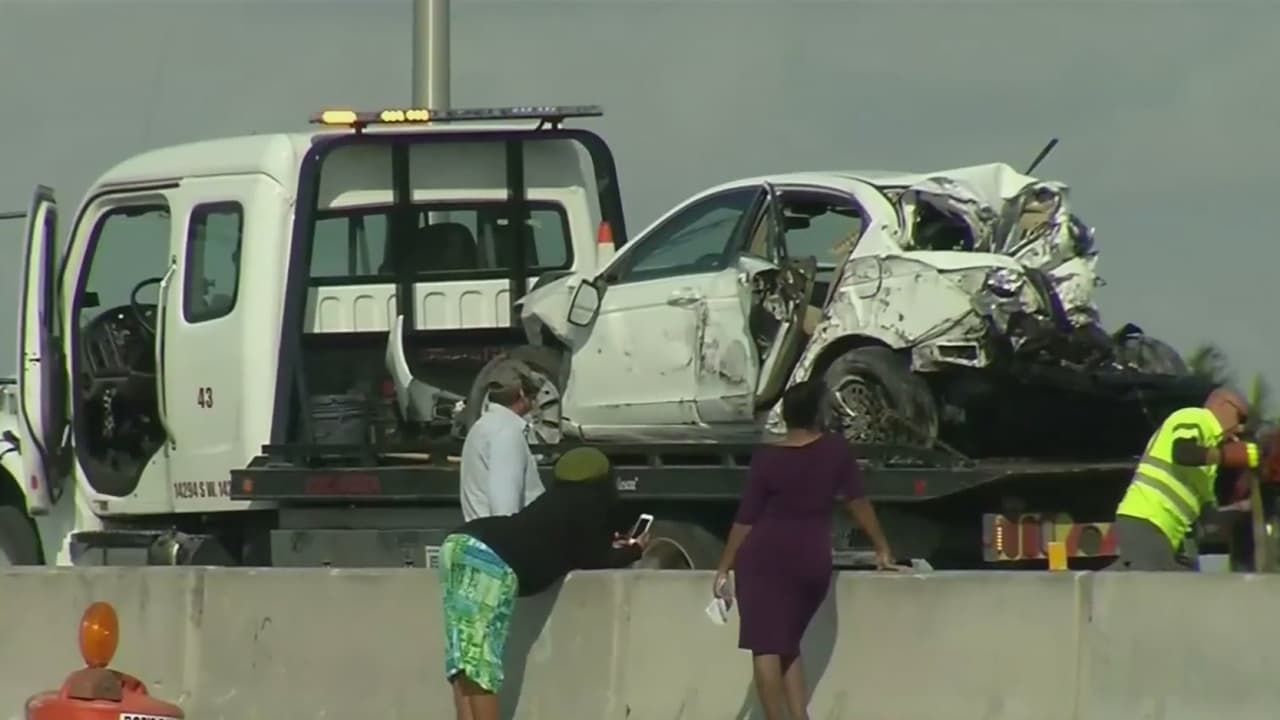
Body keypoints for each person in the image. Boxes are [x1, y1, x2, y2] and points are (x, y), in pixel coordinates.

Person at [712, 379, 897, 720]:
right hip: (811, 559)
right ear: (817, 412)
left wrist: (724, 566)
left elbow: (746, 519)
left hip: (763, 559)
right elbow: (857, 500)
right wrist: (881, 547)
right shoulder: (835, 450)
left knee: (765, 647)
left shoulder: (767, 459)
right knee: (788, 643)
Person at [438, 446, 646, 720]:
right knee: (482, 663)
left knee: (465, 659)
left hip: (459, 543)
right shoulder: (590, 507)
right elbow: (593, 558)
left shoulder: (551, 503)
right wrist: (634, 550)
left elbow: (569, 543)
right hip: (490, 559)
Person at [1109, 386, 1270, 571]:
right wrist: (1226, 455)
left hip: (1161, 533)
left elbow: (1209, 518)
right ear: (1223, 404)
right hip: (1144, 520)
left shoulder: (1208, 468)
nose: (1239, 429)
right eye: (1240, 418)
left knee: (1163, 578)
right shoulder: (1195, 417)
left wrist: (1244, 507)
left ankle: (1084, 586)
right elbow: (1183, 452)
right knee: (1160, 580)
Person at [459, 362, 545, 521]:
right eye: (533, 394)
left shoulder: (484, 426)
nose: (536, 400)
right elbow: (504, 511)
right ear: (521, 394)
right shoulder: (506, 433)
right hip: (501, 535)